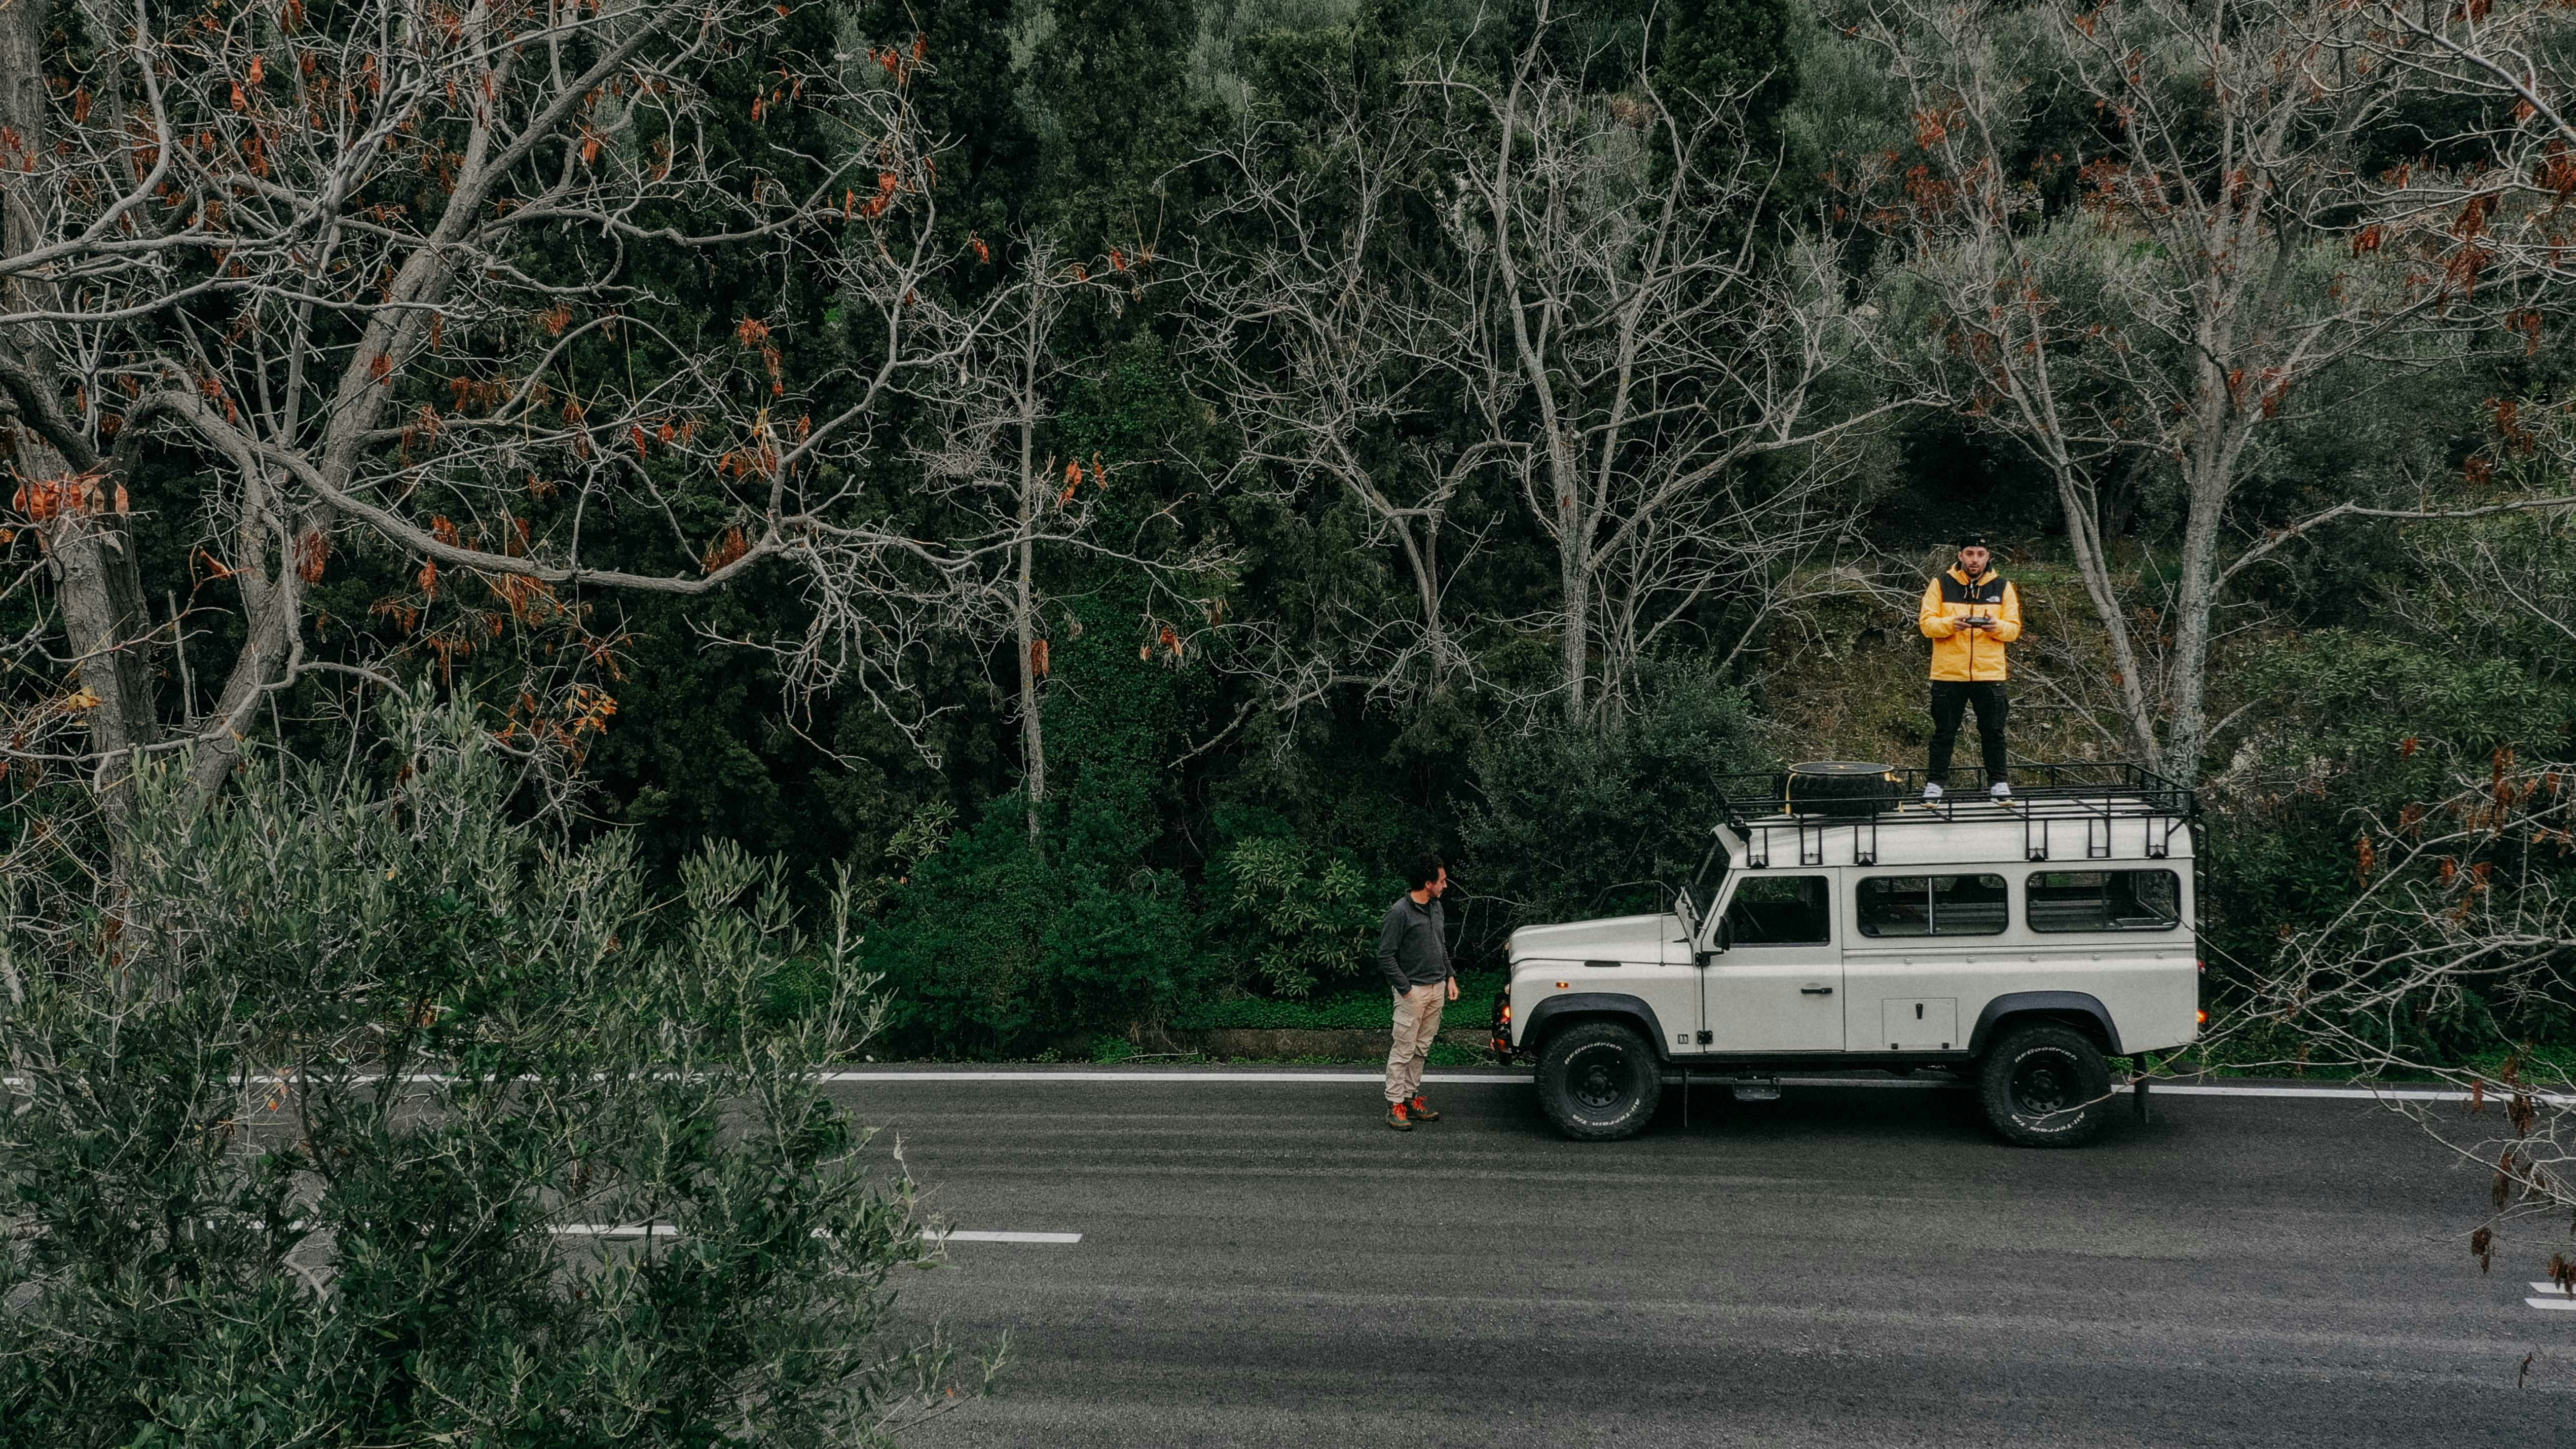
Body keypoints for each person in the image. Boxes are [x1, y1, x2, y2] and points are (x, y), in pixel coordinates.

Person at [1916, 534, 2022, 801]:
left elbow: (2014, 629)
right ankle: (1935, 784)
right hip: (1949, 672)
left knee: (1994, 731)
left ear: (1988, 557)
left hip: (1990, 672)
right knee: (1944, 732)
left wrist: (1995, 627)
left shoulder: (2003, 586)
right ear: (1960, 555)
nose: (1975, 559)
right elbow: (1927, 625)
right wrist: (1952, 624)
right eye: (1970, 553)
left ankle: (1999, 783)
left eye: (1980, 554)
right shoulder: (1940, 584)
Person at [1375, 852, 1458, 1132]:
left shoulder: (1436, 908)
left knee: (1421, 1049)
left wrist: (1450, 977)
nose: (1445, 885)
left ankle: (1410, 1098)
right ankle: (1394, 1103)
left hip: (1437, 989)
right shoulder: (1400, 912)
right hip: (1413, 992)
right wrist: (1406, 989)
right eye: (1442, 881)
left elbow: (1441, 944)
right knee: (1403, 1049)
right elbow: (1385, 955)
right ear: (1427, 883)